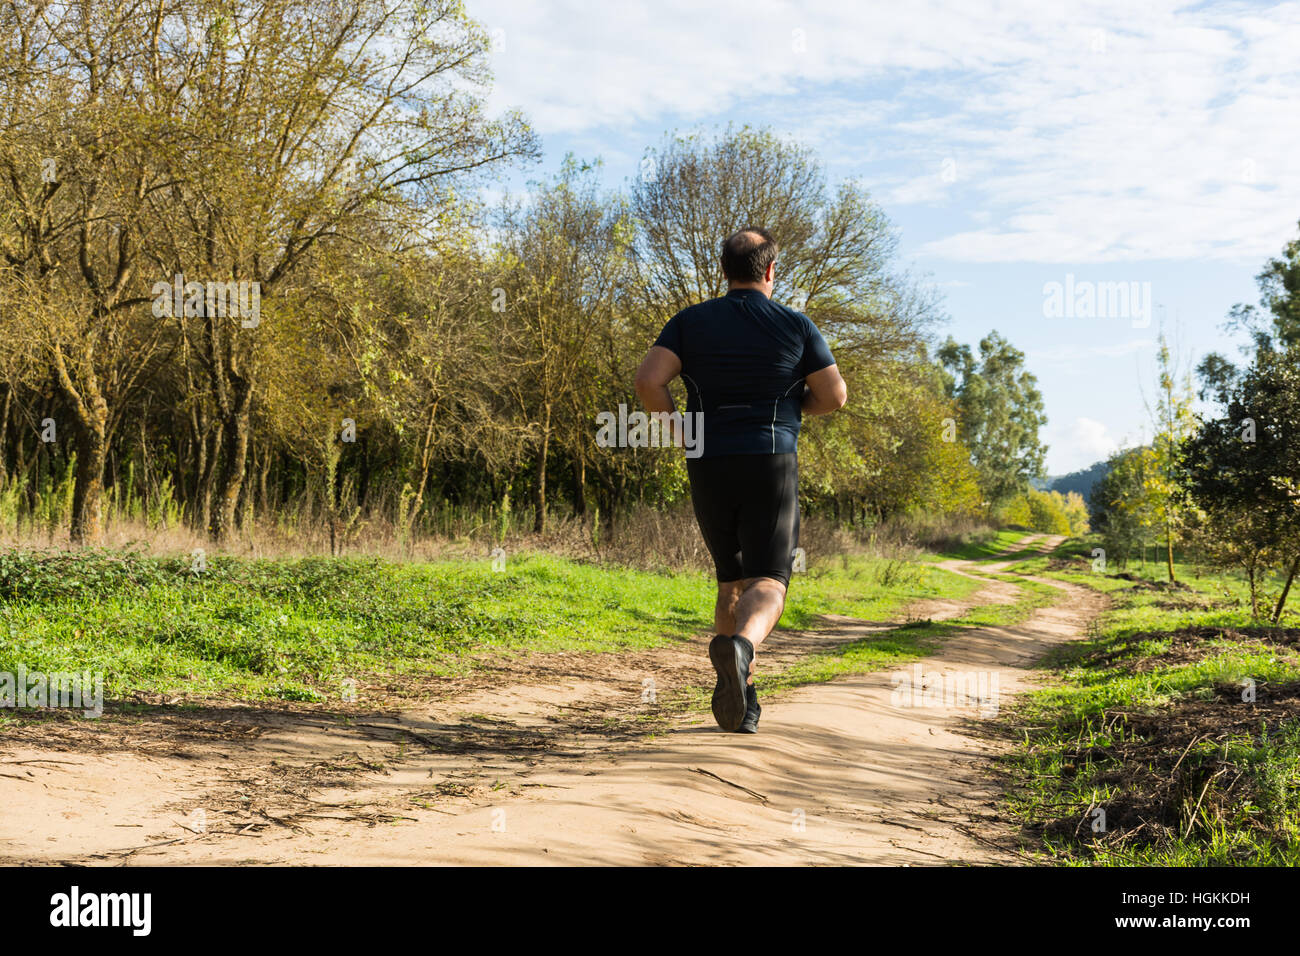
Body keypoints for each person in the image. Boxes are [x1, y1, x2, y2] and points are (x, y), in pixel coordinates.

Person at [633, 228, 847, 733]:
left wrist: (678, 428)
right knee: (769, 580)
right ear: (771, 270)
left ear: (723, 269)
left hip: (706, 456)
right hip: (770, 457)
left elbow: (649, 381)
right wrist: (793, 411)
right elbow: (835, 396)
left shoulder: (689, 322)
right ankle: (743, 649)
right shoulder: (795, 325)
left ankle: (741, 700)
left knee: (730, 581)